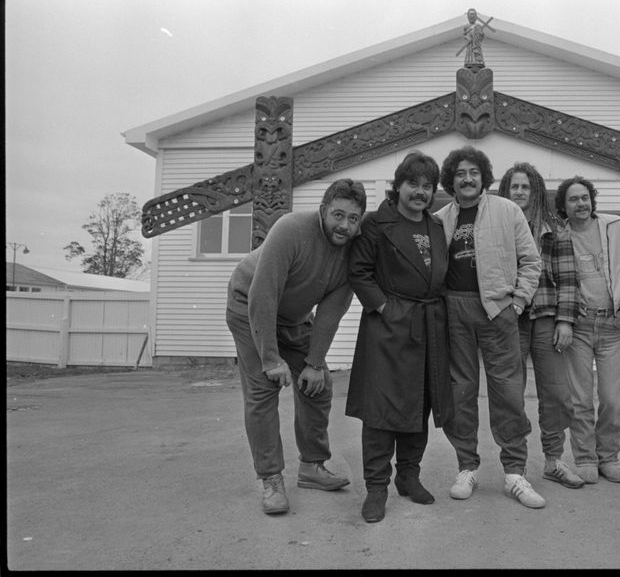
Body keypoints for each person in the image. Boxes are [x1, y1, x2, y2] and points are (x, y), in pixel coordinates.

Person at [225, 178, 367, 515]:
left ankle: (312, 466)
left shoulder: (354, 249)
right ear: (323, 210)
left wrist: (315, 363)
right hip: (249, 305)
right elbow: (263, 292)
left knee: (318, 384)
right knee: (263, 389)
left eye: (353, 218)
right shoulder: (291, 229)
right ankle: (271, 478)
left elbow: (332, 310)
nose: (344, 225)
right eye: (338, 215)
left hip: (294, 317)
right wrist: (271, 358)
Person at [435, 145, 545, 509]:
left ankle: (515, 472)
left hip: (498, 310)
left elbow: (531, 261)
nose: (467, 179)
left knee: (508, 392)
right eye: (460, 173)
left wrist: (518, 302)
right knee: (460, 392)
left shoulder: (507, 210)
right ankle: (466, 466)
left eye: (473, 172)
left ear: (483, 177)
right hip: (455, 311)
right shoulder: (440, 219)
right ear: (450, 180)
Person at [346, 151, 454, 523]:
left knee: (419, 405)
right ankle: (377, 488)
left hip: (428, 326)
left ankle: (409, 476)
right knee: (381, 411)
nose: (420, 192)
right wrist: (384, 308)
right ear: (398, 185)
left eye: (427, 186)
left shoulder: (435, 225)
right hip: (388, 329)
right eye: (413, 184)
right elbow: (359, 272)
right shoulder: (376, 223)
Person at [497, 163, 584, 489]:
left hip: (547, 317)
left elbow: (568, 278)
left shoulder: (554, 228)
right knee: (510, 395)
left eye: (526, 187)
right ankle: (515, 466)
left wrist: (565, 320)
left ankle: (554, 460)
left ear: (535, 191)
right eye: (514, 186)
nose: (520, 192)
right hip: (510, 319)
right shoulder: (496, 225)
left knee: (557, 393)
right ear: (505, 191)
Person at [554, 176, 620, 486]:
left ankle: (609, 458)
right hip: (579, 327)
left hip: (611, 326)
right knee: (580, 399)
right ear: (563, 206)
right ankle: (586, 458)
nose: (581, 204)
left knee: (612, 399)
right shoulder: (558, 235)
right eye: (573, 199)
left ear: (592, 200)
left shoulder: (615, 227)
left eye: (585, 197)